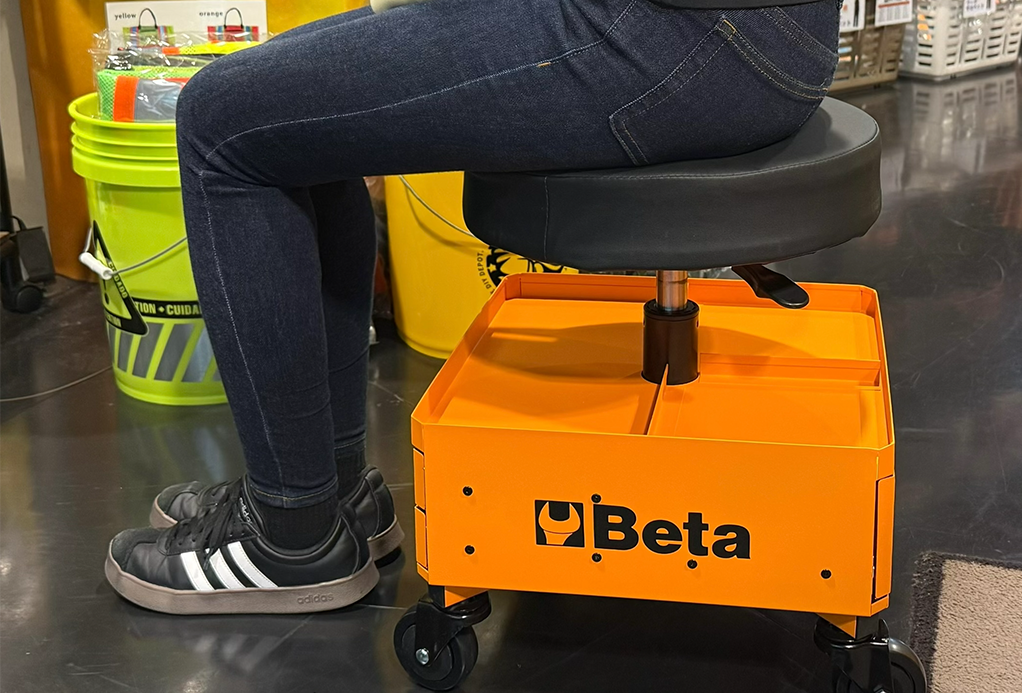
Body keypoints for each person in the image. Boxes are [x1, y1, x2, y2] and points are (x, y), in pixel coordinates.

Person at [104, 0, 840, 614]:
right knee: (279, 105)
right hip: (756, 30)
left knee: (222, 120)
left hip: (688, 37)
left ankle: (289, 534)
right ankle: (330, 492)